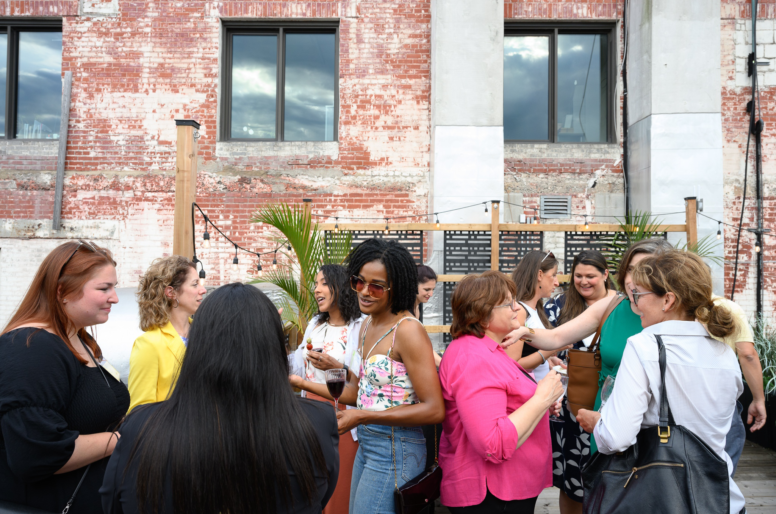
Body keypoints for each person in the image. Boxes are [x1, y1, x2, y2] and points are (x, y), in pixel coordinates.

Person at [101, 283, 339, 514]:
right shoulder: (317, 422)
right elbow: (320, 494)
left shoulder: (141, 428)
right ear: (273, 347)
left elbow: (113, 502)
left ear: (198, 346)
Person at [576, 250, 746, 514]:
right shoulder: (724, 353)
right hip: (719, 497)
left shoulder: (644, 346)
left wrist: (598, 423)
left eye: (639, 295)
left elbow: (617, 438)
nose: (635, 303)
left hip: (660, 496)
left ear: (668, 300)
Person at [0, 240, 129, 513]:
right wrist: (126, 438)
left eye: (114, 287)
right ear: (63, 292)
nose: (115, 297)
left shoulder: (80, 340)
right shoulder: (32, 347)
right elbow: (37, 452)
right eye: (104, 288)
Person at [329, 239, 445, 514]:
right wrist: (298, 384)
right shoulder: (366, 324)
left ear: (398, 287)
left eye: (377, 287)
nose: (365, 292)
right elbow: (359, 394)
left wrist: (364, 416)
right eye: (359, 282)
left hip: (397, 448)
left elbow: (434, 409)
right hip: (369, 443)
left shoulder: (407, 331)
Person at [439, 271, 563, 513]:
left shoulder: (489, 351)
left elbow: (505, 405)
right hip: (492, 493)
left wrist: (540, 406)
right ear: (482, 315)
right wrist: (540, 399)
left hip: (507, 488)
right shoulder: (473, 358)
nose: (516, 308)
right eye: (509, 303)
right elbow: (492, 444)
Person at [542, 250, 616, 513]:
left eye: (591, 276)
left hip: (610, 402)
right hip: (569, 406)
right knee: (571, 480)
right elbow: (542, 346)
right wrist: (546, 357)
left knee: (611, 477)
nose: (584, 281)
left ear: (606, 274)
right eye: (578, 276)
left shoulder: (621, 307)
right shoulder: (558, 306)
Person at [288, 264, 364, 514]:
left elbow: (363, 379)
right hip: (309, 411)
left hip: (342, 412)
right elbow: (298, 365)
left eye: (322, 283)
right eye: (316, 283)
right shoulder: (315, 325)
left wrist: (336, 366)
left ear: (340, 287)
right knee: (314, 481)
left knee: (340, 484)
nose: (316, 289)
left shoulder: (360, 327)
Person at [128, 256, 207, 413]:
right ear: (171, 292)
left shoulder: (205, 336)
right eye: (195, 284)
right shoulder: (149, 344)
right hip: (170, 435)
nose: (203, 290)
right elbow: (139, 412)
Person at [710, 295, 767, 474]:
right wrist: (758, 399)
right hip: (721, 400)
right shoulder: (727, 307)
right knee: (725, 464)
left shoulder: (669, 307)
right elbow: (747, 355)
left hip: (678, 400)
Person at [507, 250, 567, 380]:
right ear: (540, 275)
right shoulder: (520, 311)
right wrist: (551, 348)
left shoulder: (535, 309)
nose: (557, 283)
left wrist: (547, 360)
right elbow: (513, 364)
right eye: (553, 275)